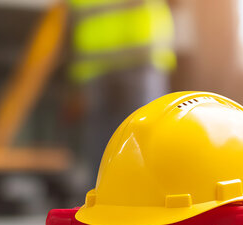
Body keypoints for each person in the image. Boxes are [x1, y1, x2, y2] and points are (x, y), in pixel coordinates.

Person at [64, 0, 176, 188]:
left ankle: (150, 197)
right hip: (102, 64)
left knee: (146, 136)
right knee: (104, 142)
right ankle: (103, 200)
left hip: (136, 58)